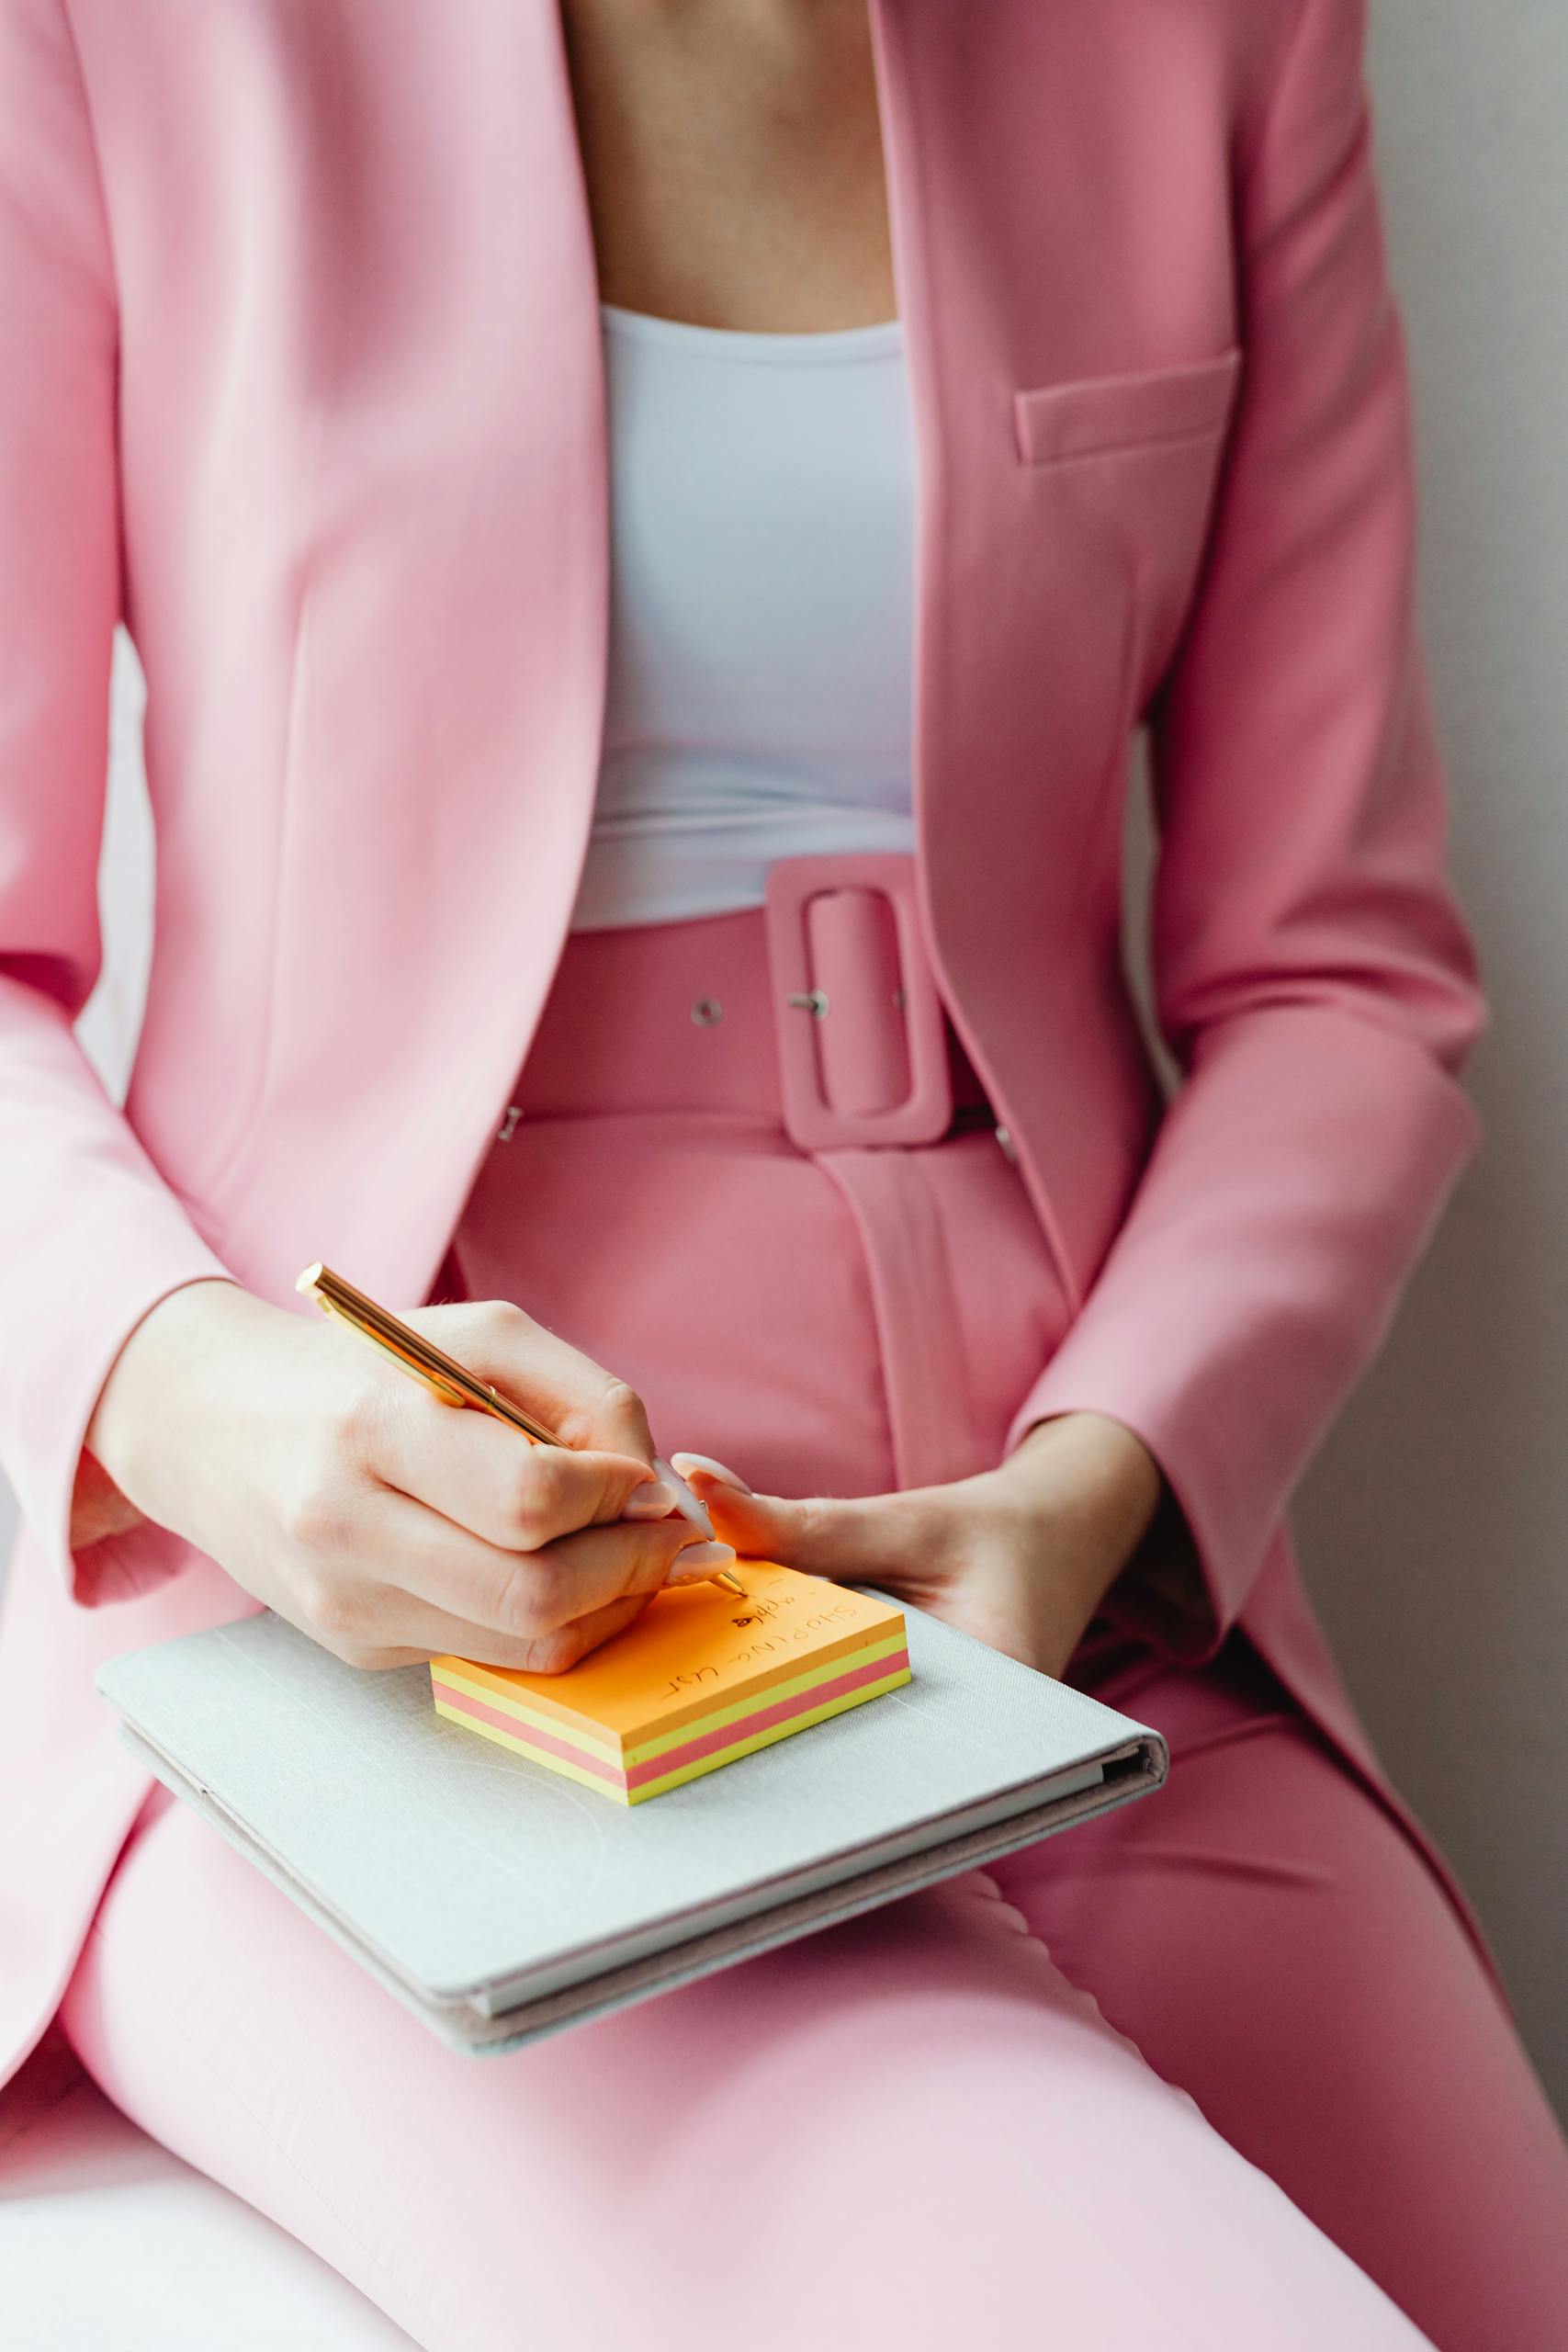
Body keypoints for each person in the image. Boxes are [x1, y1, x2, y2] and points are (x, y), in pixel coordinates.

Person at [0, 1, 1564, 2346]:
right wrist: (214, 1409)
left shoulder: (1217, 34)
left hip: (1068, 1592)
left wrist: (1098, 1485)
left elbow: (1337, 970)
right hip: (387, 1635)